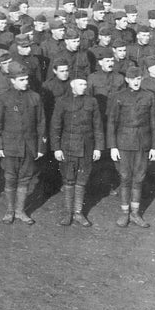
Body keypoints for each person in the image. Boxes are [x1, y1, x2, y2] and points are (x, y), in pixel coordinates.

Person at [0, 64, 44, 225]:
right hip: (10, 146)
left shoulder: (35, 97)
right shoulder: (4, 98)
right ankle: (9, 210)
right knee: (10, 178)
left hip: (29, 145)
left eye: (26, 79)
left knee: (25, 179)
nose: (25, 82)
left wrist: (41, 147)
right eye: (21, 80)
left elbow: (41, 123)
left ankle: (20, 211)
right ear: (12, 81)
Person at [107, 66, 155, 228]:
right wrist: (113, 146)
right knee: (124, 177)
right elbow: (111, 123)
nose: (136, 82)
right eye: (133, 79)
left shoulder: (149, 96)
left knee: (139, 178)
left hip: (143, 144)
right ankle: (124, 213)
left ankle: (135, 213)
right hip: (123, 143)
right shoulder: (118, 97)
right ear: (127, 80)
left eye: (138, 79)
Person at [50, 75, 103, 226]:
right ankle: (68, 213)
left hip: (87, 146)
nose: (84, 87)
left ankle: (78, 213)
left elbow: (98, 126)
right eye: (80, 84)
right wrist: (56, 148)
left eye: (85, 84)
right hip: (68, 146)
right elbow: (55, 127)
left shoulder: (92, 102)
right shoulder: (62, 102)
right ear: (72, 86)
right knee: (68, 179)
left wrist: (98, 148)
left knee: (82, 180)